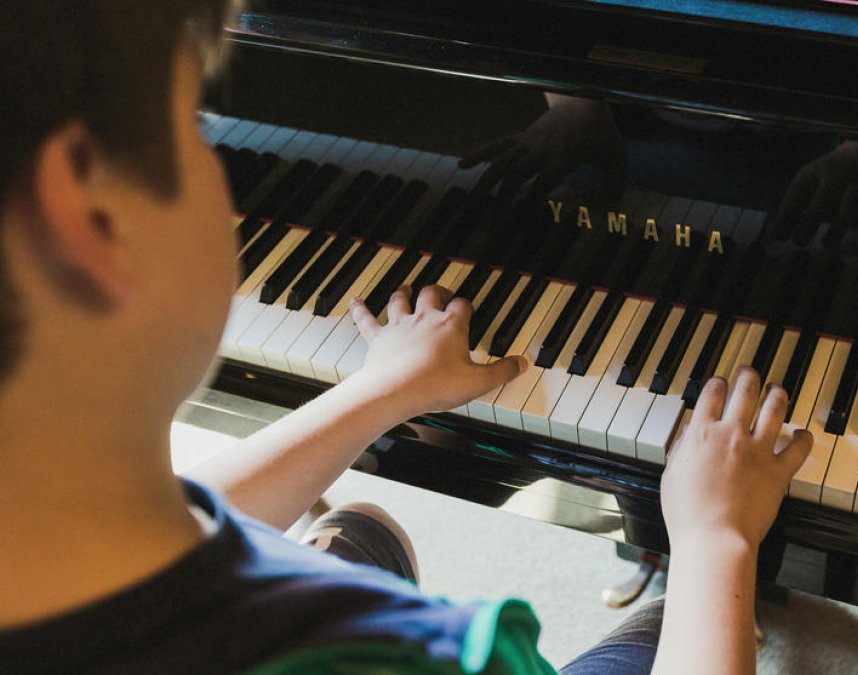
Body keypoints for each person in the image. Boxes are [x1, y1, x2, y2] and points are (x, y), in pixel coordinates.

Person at [0, 2, 814, 674]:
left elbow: (181, 522)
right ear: (87, 215)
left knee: (360, 527)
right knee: (680, 622)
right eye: (196, 123)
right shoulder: (436, 652)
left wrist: (377, 389)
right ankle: (683, 576)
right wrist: (715, 538)